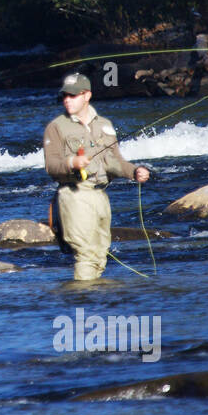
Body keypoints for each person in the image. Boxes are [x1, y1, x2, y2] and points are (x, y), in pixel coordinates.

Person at [43, 72, 150, 282]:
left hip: (101, 195)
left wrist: (134, 171)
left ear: (87, 95)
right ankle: (81, 300)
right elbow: (51, 166)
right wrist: (72, 163)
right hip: (74, 195)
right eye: (64, 96)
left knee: (100, 257)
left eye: (72, 96)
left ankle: (91, 301)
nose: (67, 100)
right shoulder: (56, 127)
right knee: (86, 254)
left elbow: (115, 161)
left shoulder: (105, 125)